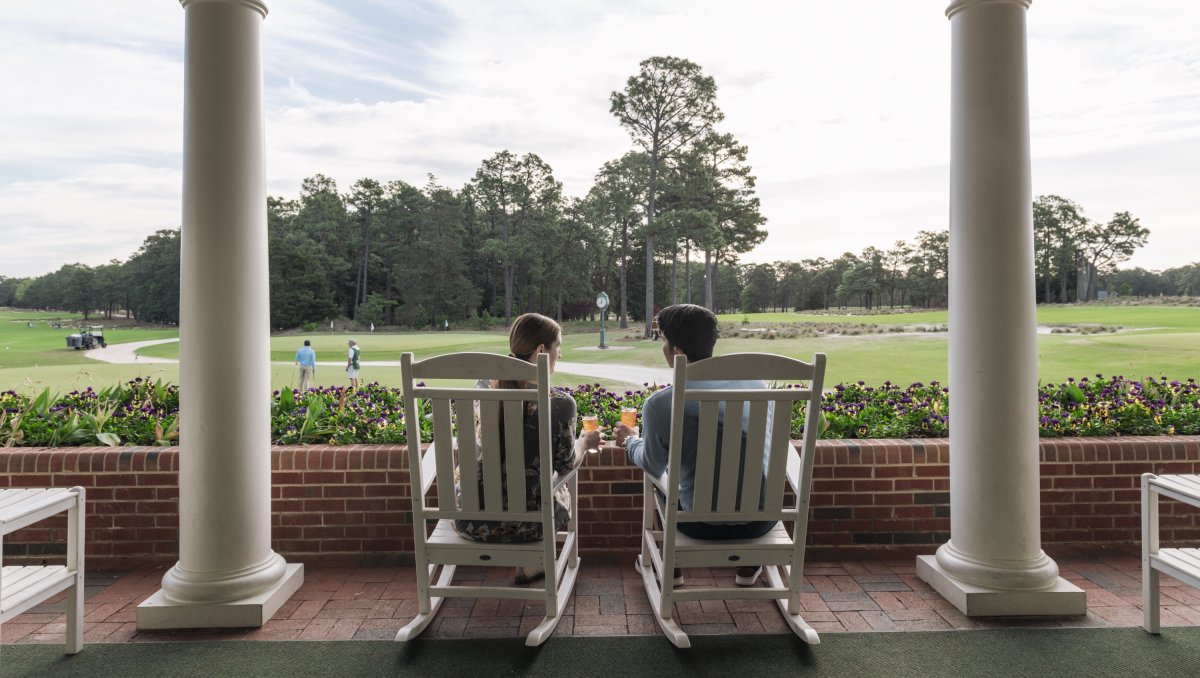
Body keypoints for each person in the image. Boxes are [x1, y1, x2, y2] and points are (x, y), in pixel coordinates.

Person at [615, 303, 775, 588]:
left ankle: (670, 566)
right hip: (761, 521)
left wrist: (630, 441)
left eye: (664, 341)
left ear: (677, 352)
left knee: (656, 480)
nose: (662, 348)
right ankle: (749, 563)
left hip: (698, 525)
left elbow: (652, 464)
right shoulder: (757, 387)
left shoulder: (662, 402)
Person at [454, 313, 601, 583]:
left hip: (470, 521)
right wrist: (584, 442)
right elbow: (567, 465)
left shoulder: (482, 388)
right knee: (556, 487)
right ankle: (532, 560)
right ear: (541, 350)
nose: (561, 354)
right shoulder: (559, 404)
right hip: (533, 527)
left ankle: (529, 564)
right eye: (559, 347)